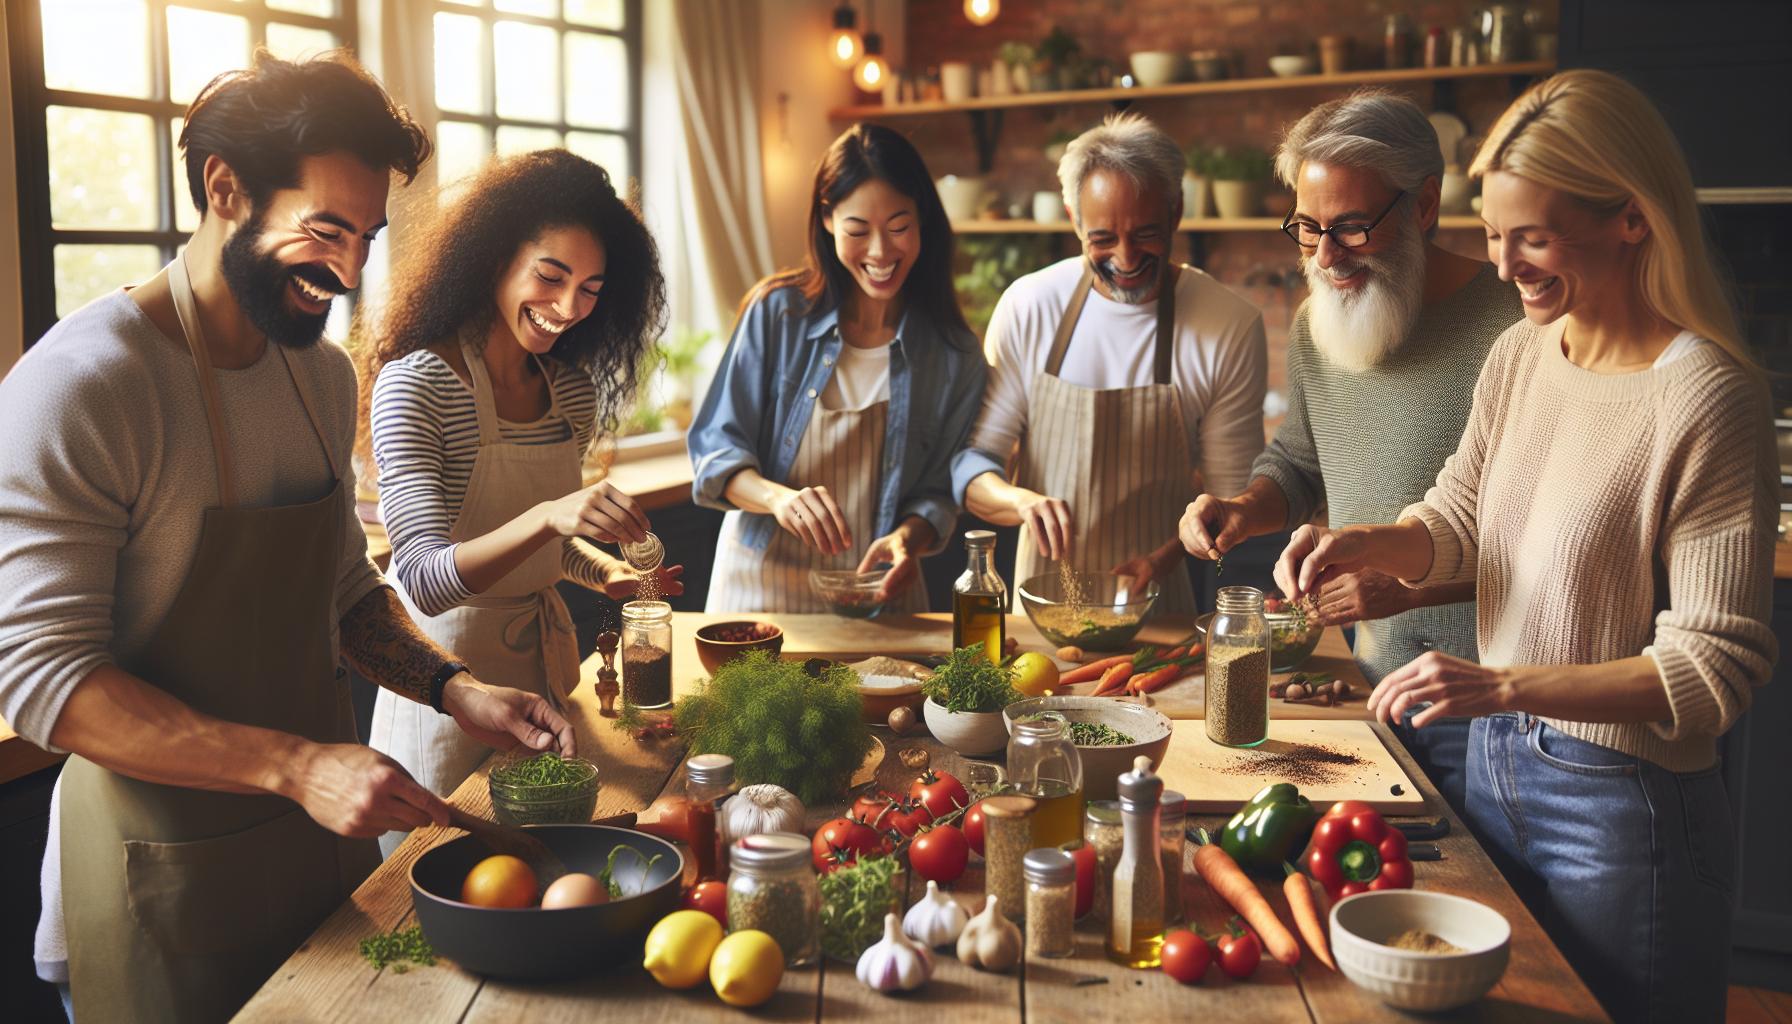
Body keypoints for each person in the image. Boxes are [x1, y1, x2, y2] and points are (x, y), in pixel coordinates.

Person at [0, 53, 575, 1023]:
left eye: (367, 236)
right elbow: (44, 683)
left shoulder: (320, 378)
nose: (349, 272)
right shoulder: (85, 387)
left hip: (316, 868)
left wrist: (457, 690)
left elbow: (345, 590)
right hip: (155, 886)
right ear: (224, 188)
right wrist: (297, 765)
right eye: (325, 231)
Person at [1272, 69, 1776, 1023]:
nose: (1504, 267)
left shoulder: (1706, 395)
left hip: (1624, 805)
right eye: (1496, 236)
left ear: (1631, 218)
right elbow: (1459, 522)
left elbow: (1712, 669)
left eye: (1533, 238)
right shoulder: (1523, 354)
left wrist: (1502, 685)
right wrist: (1360, 541)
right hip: (1498, 771)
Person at [1176, 91, 1521, 813]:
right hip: (1375, 684)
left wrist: (1412, 587)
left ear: (1423, 206)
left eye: (1353, 228)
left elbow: (1549, 545)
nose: (1326, 257)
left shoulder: (1514, 321)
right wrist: (1243, 509)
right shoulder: (1316, 326)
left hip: (1497, 711)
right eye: (1307, 228)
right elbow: (1300, 462)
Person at [360, 149, 679, 853]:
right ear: (494, 257)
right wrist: (549, 515)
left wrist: (608, 574)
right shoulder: (418, 384)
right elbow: (422, 579)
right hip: (447, 696)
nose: (569, 308)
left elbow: (548, 541)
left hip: (549, 684)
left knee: (551, 874)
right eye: (551, 275)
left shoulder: (569, 391)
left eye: (592, 288)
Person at [952, 112, 1266, 617]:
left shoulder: (1227, 324)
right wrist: (1021, 503)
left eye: (1145, 234)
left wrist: (1162, 561)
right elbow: (974, 467)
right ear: (1074, 218)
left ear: (1177, 211)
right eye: (1102, 237)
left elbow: (1233, 505)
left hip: (1158, 611)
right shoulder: (1030, 306)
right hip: (1039, 612)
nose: (1124, 256)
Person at [689, 123, 987, 612]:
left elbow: (939, 492)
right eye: (857, 231)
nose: (879, 252)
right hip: (761, 588)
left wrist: (908, 540)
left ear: (923, 221)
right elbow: (716, 450)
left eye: (898, 227)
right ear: (827, 220)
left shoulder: (955, 355)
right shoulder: (776, 314)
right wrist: (778, 499)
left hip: (882, 591)